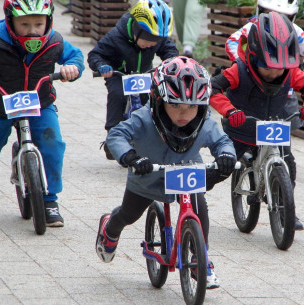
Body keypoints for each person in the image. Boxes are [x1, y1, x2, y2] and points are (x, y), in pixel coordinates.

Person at [95, 56, 237, 289]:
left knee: (199, 209)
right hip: (147, 177)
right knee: (129, 215)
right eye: (175, 105)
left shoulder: (205, 122)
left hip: (186, 177)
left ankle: (201, 258)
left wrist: (226, 156)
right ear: (159, 100)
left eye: (192, 106)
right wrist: (130, 157)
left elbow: (222, 141)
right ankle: (110, 227)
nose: (184, 113)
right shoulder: (143, 118)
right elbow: (116, 135)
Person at [0, 0, 84, 227]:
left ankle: (50, 201)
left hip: (39, 104)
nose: (32, 30)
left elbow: (76, 56)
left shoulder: (54, 42)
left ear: (48, 21)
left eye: (38, 24)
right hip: (0, 106)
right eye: (25, 24)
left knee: (53, 144)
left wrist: (72, 68)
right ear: (10, 21)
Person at [209, 12, 304, 231]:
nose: (274, 73)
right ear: (254, 58)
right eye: (268, 67)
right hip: (242, 127)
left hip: (275, 125)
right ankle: (192, 199)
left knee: (288, 163)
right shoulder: (239, 70)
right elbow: (212, 88)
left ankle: (286, 209)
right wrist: (229, 110)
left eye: (279, 67)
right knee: (223, 166)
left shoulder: (290, 72)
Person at [87, 0, 178, 160]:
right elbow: (95, 54)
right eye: (149, 39)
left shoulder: (156, 38)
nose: (151, 44)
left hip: (142, 73)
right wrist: (101, 66)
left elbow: (169, 50)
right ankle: (113, 135)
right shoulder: (116, 36)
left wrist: (170, 62)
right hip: (117, 73)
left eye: (155, 41)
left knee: (151, 97)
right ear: (137, 28)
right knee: (117, 94)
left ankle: (156, 131)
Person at [225, 0, 304, 133]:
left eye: (284, 16)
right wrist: (242, 62)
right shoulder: (252, 26)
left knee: (287, 126)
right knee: (245, 123)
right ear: (261, 12)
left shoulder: (294, 30)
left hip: (282, 84)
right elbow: (232, 41)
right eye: (270, 14)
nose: (276, 20)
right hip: (255, 80)